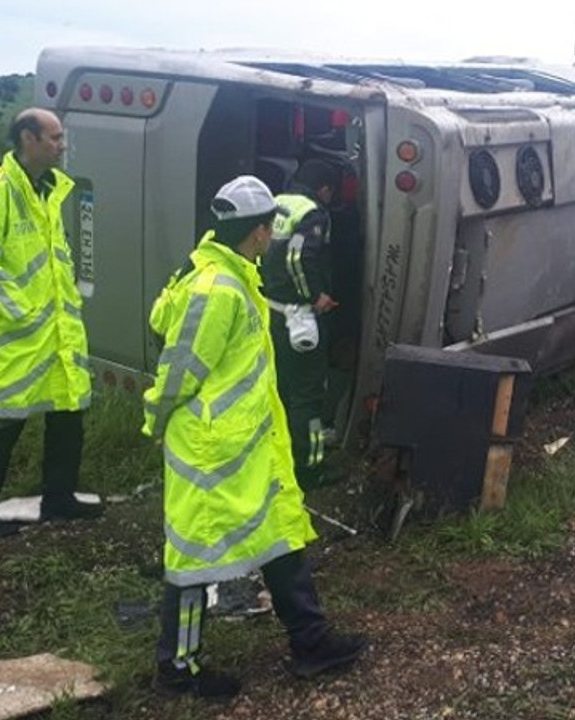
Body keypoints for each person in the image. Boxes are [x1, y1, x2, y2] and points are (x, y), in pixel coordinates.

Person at [143, 175, 367, 700]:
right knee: (194, 559)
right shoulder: (217, 288)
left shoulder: (226, 271)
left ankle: (311, 642)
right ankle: (177, 671)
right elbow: (179, 370)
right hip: (212, 451)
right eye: (270, 229)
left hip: (245, 446)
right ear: (262, 232)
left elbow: (161, 321)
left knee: (278, 536)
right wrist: (157, 419)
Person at [0, 108, 102, 542]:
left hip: (54, 338)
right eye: (54, 137)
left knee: (68, 417)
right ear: (27, 139)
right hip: (9, 342)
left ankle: (59, 499)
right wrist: (22, 312)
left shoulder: (48, 191)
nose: (61, 145)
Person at [261, 159, 340, 489]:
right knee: (308, 396)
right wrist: (315, 296)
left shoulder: (276, 202)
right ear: (324, 189)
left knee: (278, 389)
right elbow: (299, 257)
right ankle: (310, 469)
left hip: (271, 311)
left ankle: (274, 457)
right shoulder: (311, 213)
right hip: (298, 317)